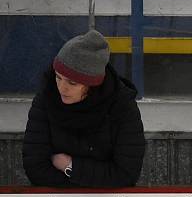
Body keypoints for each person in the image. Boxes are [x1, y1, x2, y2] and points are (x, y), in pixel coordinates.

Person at [22, 30, 146, 187]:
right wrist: (95, 180)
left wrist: (70, 166)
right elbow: (35, 169)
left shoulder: (121, 106)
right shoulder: (46, 97)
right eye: (58, 77)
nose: (62, 88)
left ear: (93, 85)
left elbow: (126, 174)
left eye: (72, 83)